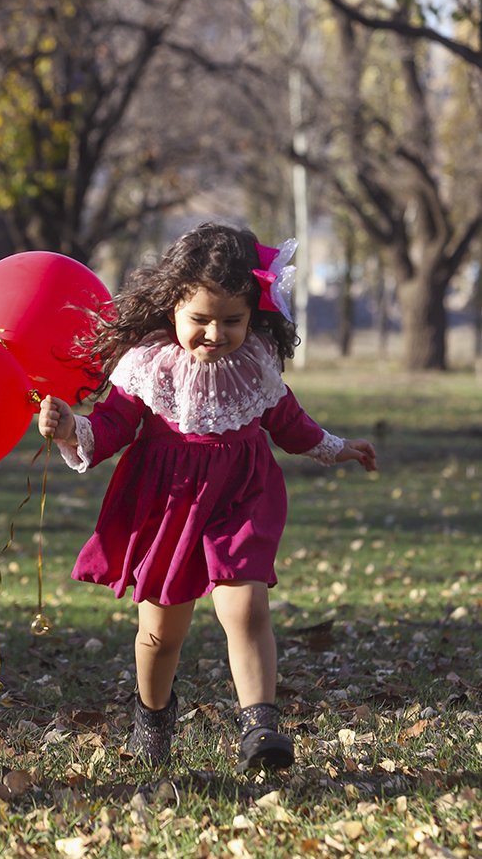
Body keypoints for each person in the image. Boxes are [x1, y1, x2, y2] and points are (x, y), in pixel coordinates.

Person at [38, 223, 376, 774]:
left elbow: (288, 423)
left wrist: (338, 448)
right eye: (200, 319)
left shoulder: (257, 362)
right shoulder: (147, 364)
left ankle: (260, 725)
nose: (215, 333)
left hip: (241, 495)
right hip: (166, 502)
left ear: (254, 315)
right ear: (173, 306)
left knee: (245, 606)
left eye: (232, 320)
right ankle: (153, 717)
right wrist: (69, 427)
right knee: (161, 633)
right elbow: (112, 426)